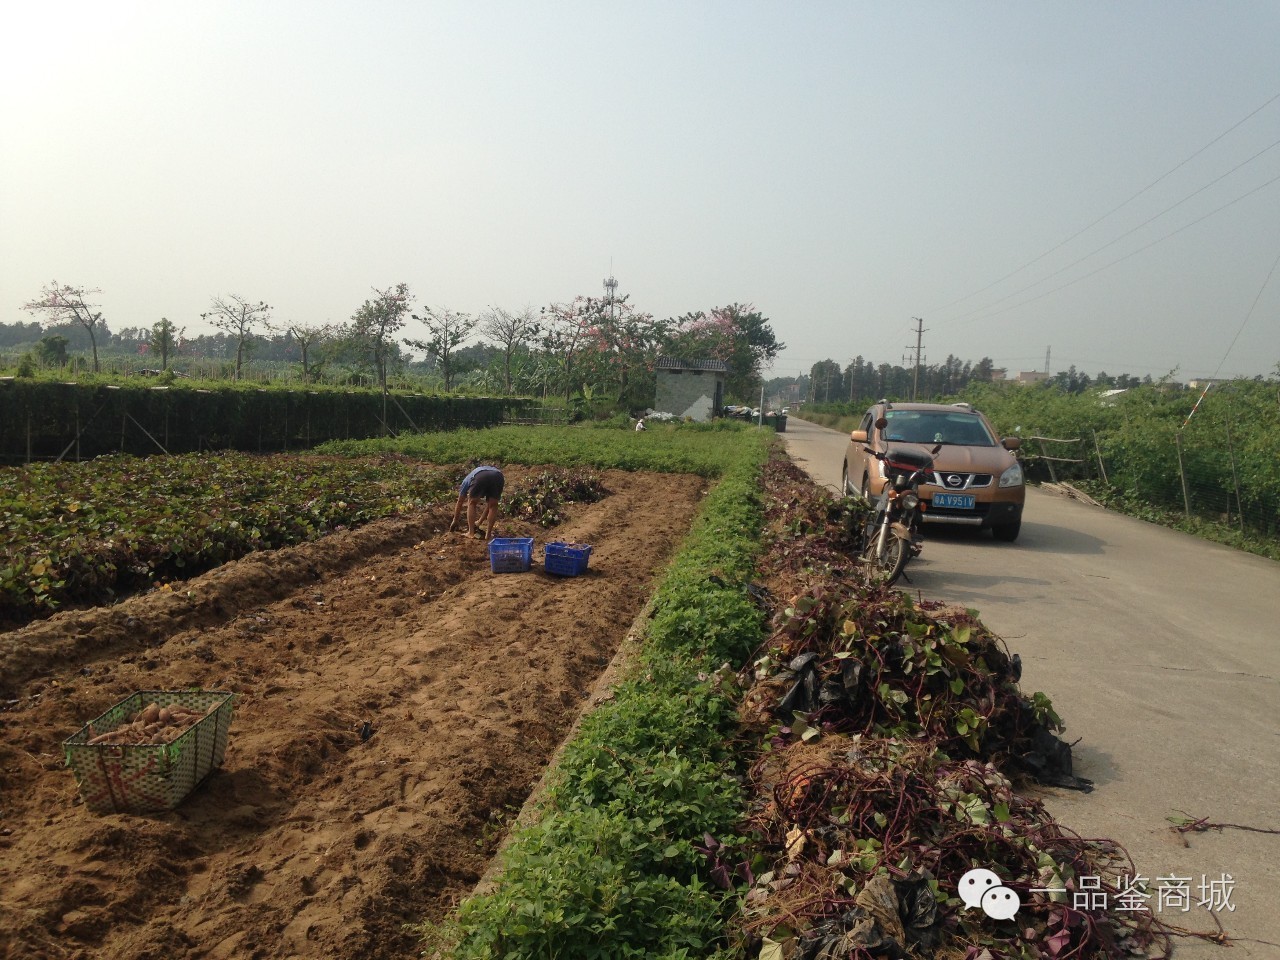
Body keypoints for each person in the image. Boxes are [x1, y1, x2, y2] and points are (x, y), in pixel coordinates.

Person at [448, 465, 504, 540]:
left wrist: (455, 520)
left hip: (480, 476)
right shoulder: (483, 472)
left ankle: (471, 533)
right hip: (498, 476)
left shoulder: (465, 482)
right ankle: (488, 535)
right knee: (493, 505)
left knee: (472, 503)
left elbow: (460, 502)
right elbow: (489, 506)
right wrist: (479, 522)